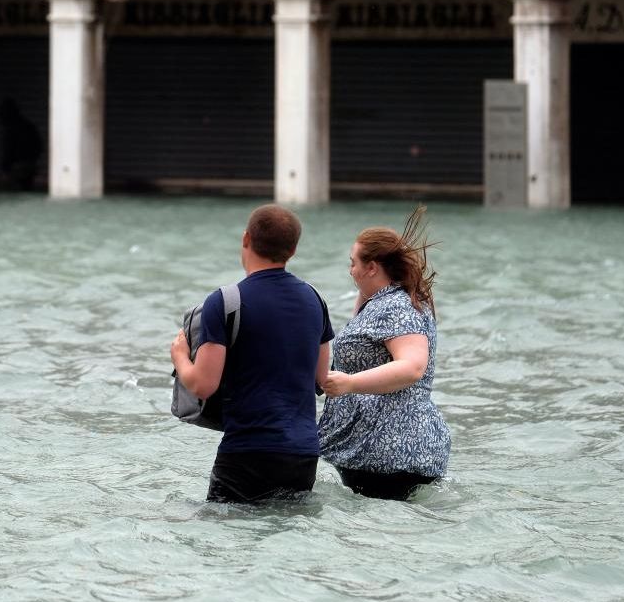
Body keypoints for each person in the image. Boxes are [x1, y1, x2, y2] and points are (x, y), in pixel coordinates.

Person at [170, 204, 334, 504]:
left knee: (223, 539)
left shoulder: (225, 301)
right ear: (293, 250)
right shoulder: (315, 299)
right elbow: (322, 379)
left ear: (246, 239)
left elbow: (203, 384)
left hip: (248, 450)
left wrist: (180, 356)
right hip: (303, 453)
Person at [318, 205, 450, 501]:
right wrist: (364, 288)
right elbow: (363, 335)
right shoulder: (386, 300)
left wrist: (349, 384)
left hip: (392, 452)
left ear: (372, 267)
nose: (350, 270)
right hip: (385, 450)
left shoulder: (396, 307)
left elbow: (413, 367)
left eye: (353, 263)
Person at [0, 97, 42, 191]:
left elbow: (8, 151)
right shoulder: (28, 127)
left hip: (19, 167)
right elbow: (39, 147)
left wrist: (6, 169)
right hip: (28, 166)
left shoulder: (12, 130)